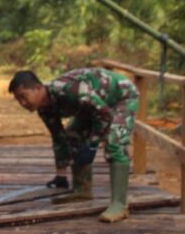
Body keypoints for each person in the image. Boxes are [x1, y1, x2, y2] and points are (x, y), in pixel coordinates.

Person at [8, 68, 139, 223]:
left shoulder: (67, 90)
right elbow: (59, 138)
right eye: (18, 100)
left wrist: (92, 143)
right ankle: (82, 190)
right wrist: (60, 175)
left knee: (113, 141)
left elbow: (104, 114)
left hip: (121, 96)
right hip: (94, 105)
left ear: (37, 88)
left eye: (24, 96)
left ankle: (119, 204)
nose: (22, 103)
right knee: (72, 135)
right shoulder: (44, 109)